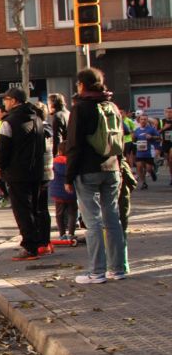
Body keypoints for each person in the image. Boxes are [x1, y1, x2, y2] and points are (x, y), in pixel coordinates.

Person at [64, 67, 128, 284]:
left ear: (82, 85)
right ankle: (118, 269)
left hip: (87, 170)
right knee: (113, 219)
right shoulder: (112, 106)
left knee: (93, 223)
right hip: (112, 168)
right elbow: (121, 140)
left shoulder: (81, 108)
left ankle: (96, 272)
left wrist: (68, 176)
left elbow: (74, 145)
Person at [0, 87, 52, 260]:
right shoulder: (37, 118)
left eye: (6, 99)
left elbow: (3, 148)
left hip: (17, 173)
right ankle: (41, 243)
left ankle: (29, 246)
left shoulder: (9, 122)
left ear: (13, 101)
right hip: (37, 171)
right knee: (36, 209)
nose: (4, 103)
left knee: (22, 211)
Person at [49, 153, 79, 247]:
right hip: (71, 192)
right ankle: (71, 234)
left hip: (58, 193)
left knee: (59, 214)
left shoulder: (54, 162)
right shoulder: (73, 161)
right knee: (72, 213)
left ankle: (62, 234)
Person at [132, 113, 161, 189]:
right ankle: (143, 182)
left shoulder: (151, 129)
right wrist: (133, 137)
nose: (143, 121)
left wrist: (151, 137)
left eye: (145, 119)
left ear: (147, 120)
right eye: (142, 119)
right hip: (139, 152)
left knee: (148, 168)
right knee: (139, 167)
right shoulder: (137, 130)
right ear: (139, 120)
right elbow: (134, 140)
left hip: (149, 152)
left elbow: (159, 138)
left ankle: (152, 172)